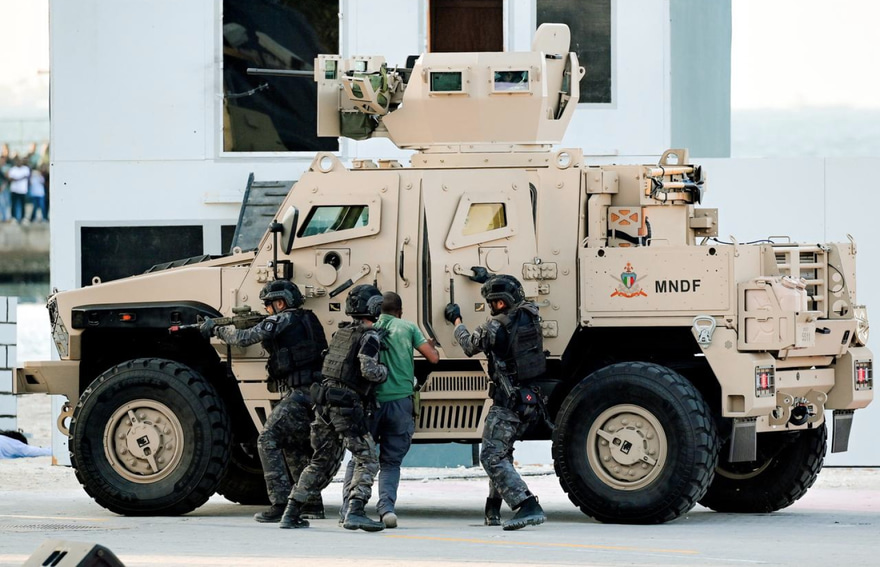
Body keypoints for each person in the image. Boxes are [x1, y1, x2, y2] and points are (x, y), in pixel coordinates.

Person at [201, 280, 334, 522]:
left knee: (267, 439)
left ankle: (280, 503)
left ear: (281, 303)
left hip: (301, 393)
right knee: (293, 446)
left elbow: (244, 338)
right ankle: (310, 504)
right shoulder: (308, 319)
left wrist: (216, 330)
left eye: (269, 305)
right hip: (316, 394)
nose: (267, 310)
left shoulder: (283, 319)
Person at [280, 284, 387, 531]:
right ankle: (356, 510)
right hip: (346, 405)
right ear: (374, 308)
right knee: (368, 458)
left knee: (320, 461)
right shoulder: (369, 336)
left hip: (324, 402)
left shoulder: (341, 333)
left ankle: (291, 512)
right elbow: (369, 370)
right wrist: (385, 371)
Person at [445, 275, 548, 531]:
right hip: (529, 399)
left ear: (501, 303)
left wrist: (456, 320)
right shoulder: (531, 314)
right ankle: (492, 509)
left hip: (507, 401)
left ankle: (527, 504)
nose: (490, 307)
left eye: (492, 302)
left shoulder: (494, 326)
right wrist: (490, 280)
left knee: (490, 456)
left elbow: (468, 345)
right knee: (502, 454)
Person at [340, 291, 439, 528]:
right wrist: (430, 346)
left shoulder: (368, 329)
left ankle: (348, 508)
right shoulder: (408, 327)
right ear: (400, 311)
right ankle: (386, 510)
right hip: (400, 404)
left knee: (359, 457)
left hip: (370, 403)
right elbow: (433, 358)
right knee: (391, 462)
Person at [6, 156, 30, 224]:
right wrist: (19, 178)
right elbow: (10, 178)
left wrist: (16, 179)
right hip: (14, 190)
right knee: (14, 204)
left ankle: (23, 218)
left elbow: (26, 177)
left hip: (23, 190)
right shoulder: (13, 169)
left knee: (23, 205)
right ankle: (13, 218)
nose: (19, 162)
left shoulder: (25, 168)